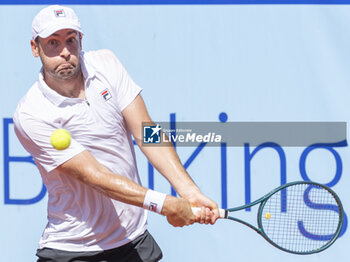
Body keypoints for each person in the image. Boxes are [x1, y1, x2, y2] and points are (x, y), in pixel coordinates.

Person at [13, 5, 219, 262]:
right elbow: (95, 176)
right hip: (73, 251)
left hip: (133, 241)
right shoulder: (31, 113)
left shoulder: (106, 64)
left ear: (80, 40)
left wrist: (188, 190)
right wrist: (164, 204)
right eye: (53, 43)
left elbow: (147, 132)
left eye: (70, 40)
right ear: (35, 48)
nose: (65, 52)